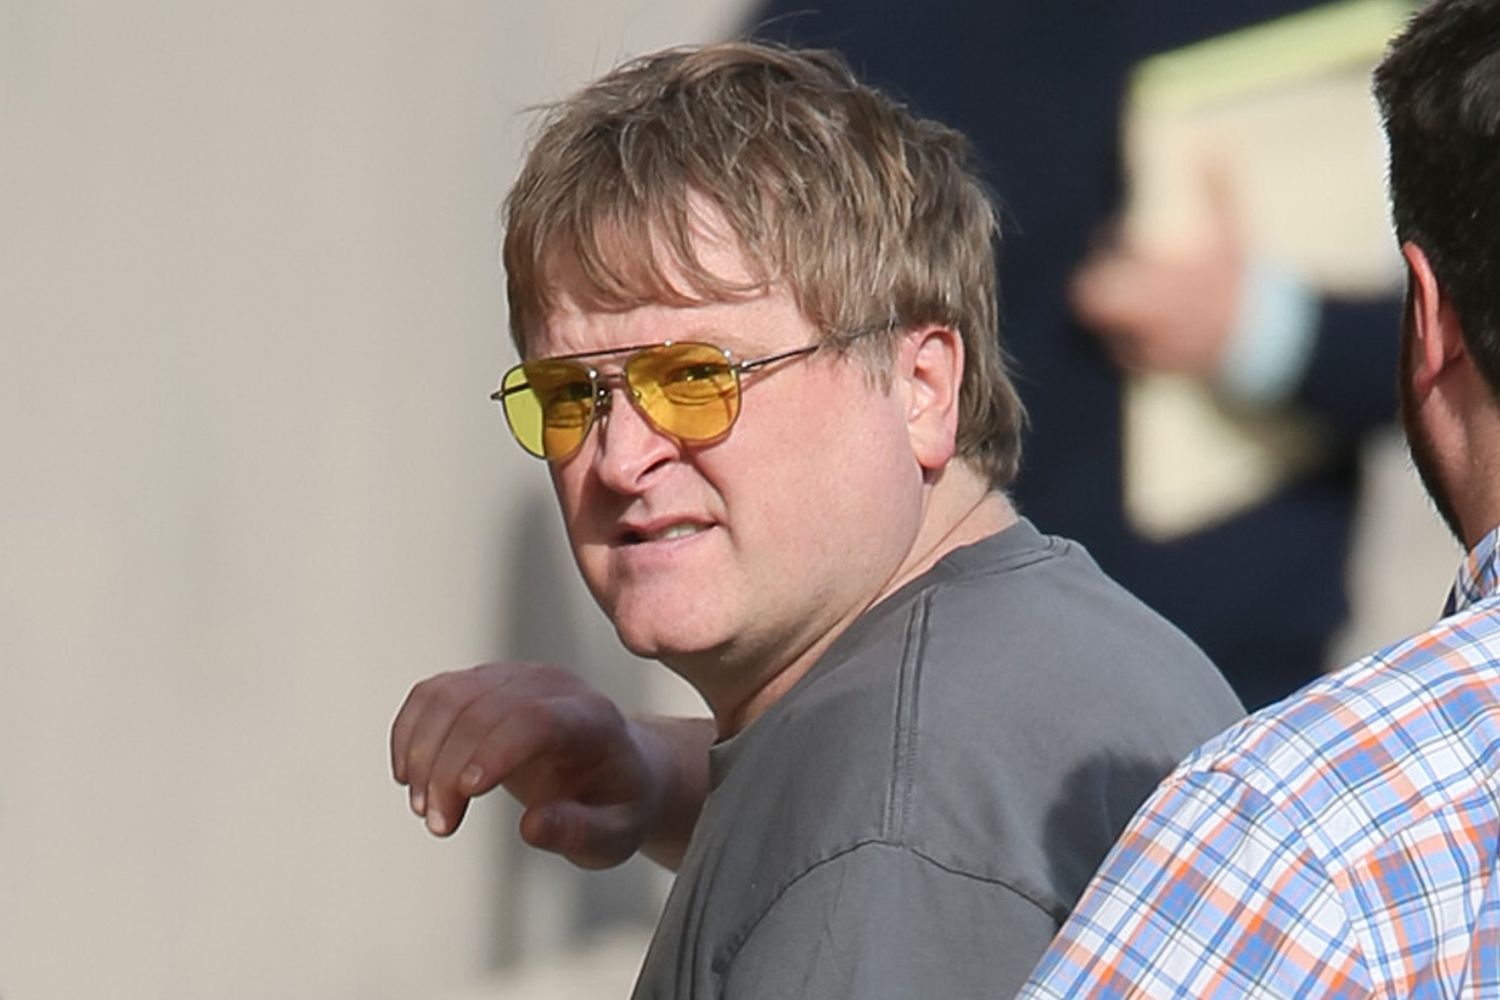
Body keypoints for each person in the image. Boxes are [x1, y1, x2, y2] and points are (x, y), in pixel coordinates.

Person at [389, 41, 1244, 998]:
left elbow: (886, 842)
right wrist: (665, 778)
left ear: (922, 388)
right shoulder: (1042, 657)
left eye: (696, 378)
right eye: (570, 396)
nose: (621, 460)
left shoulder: (894, 831)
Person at [1021, 2, 1500, 993]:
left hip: (1247, 686)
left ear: (1427, 319)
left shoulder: (1297, 831)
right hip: (1001, 714)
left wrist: (1268, 326)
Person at [747, 0, 1404, 710]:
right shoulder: (829, 30)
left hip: (1240, 672)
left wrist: (1262, 324)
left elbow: (1453, 333)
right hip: (915, 674)